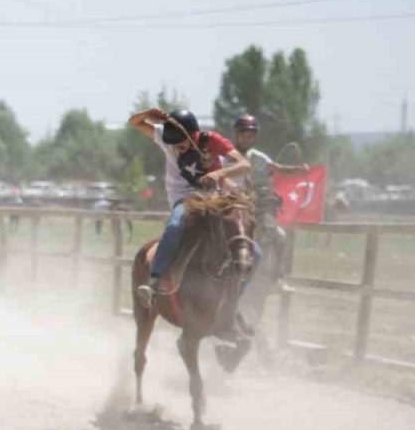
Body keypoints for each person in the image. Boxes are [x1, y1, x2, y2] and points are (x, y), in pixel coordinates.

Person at [127, 108, 250, 311]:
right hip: (184, 198)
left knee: (247, 241)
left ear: (192, 135)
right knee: (175, 224)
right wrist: (151, 113)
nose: (177, 149)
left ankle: (234, 297)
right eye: (173, 146)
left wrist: (220, 173)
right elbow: (135, 122)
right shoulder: (167, 135)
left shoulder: (212, 140)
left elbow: (245, 165)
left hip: (215, 198)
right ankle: (154, 281)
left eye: (182, 145)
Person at [232, 113, 307, 272]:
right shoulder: (225, 155)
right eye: (243, 134)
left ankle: (277, 272)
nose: (246, 139)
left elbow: (279, 168)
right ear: (237, 135)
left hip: (254, 207)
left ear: (255, 137)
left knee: (279, 236)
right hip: (230, 205)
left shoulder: (259, 157)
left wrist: (299, 170)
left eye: (250, 135)